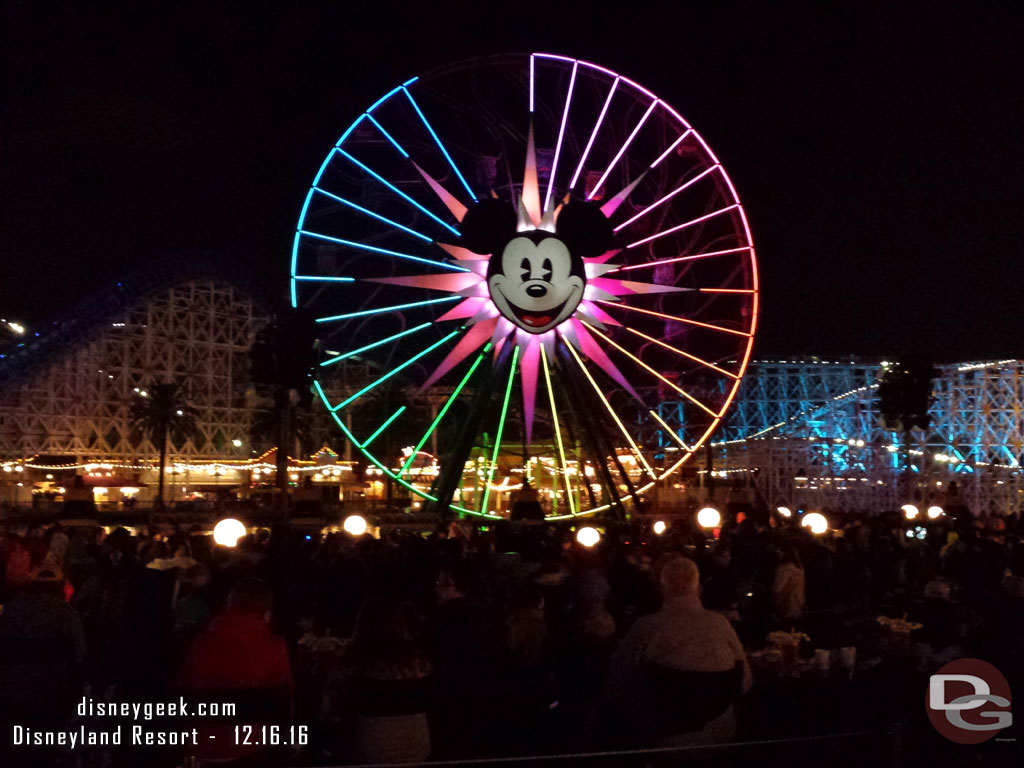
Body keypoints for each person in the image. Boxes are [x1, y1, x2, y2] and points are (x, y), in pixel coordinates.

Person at [606, 554, 751, 746]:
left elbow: (617, 683)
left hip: (661, 736)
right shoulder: (720, 624)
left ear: (661, 589)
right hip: (719, 735)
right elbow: (746, 681)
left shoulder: (646, 628)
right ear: (698, 589)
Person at [335, 597, 433, 764]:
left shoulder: (358, 669)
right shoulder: (420, 666)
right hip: (418, 748)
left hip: (372, 749)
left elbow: (339, 711)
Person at [772, 541, 806, 622]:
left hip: (787, 606)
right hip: (797, 605)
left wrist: (775, 602)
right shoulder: (798, 568)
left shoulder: (785, 569)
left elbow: (779, 589)